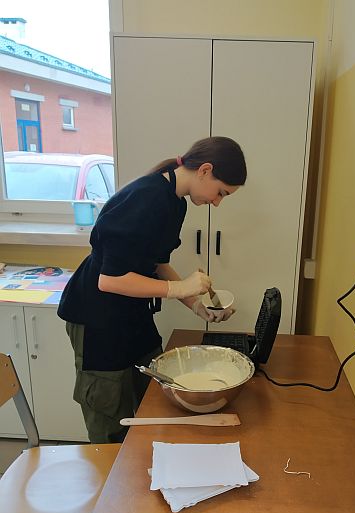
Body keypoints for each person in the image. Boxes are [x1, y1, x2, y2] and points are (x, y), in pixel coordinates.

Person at [57, 136, 247, 444]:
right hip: (98, 320)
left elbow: (157, 263)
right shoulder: (146, 197)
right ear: (205, 170)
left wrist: (196, 305)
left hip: (133, 314)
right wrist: (180, 287)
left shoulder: (175, 203)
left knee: (154, 396)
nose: (217, 202)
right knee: (110, 416)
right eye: (221, 192)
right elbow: (110, 280)